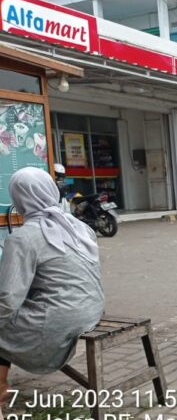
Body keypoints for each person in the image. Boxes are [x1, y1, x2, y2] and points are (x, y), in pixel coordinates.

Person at [0, 167, 105, 403]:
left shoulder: (23, 238)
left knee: (3, 318)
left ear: (19, 199)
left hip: (58, 323)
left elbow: (7, 298)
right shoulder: (79, 227)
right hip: (91, 311)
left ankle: (0, 386)